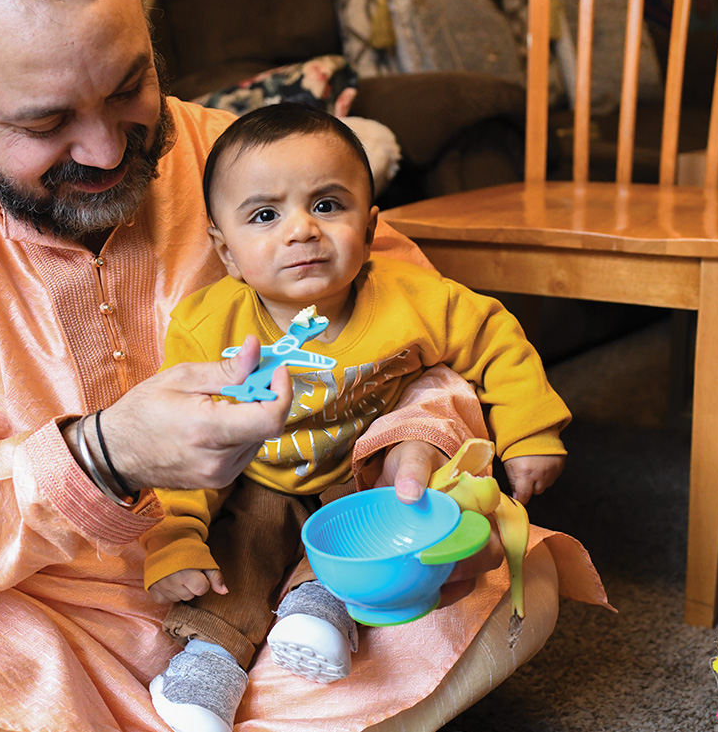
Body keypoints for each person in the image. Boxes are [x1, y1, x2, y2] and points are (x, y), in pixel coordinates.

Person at [0, 0, 609, 731]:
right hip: (40, 620)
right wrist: (99, 457)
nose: (107, 149)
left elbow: (418, 318)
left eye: (129, 87)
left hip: (295, 570)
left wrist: (411, 443)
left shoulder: (238, 151)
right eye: (44, 123)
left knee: (520, 583)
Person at [143, 103, 571, 732]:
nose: (301, 231)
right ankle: (209, 664)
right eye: (265, 215)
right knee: (237, 558)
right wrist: (174, 537)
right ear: (225, 250)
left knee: (388, 532)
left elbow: (492, 336)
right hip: (257, 481)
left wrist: (531, 430)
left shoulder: (408, 299)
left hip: (360, 477)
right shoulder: (209, 325)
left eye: (327, 205)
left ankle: (322, 608)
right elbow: (185, 441)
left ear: (369, 229)